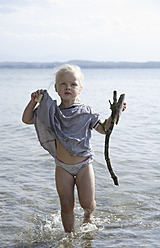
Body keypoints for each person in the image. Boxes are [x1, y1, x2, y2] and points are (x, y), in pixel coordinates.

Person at [22, 64, 126, 233]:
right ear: (56, 88)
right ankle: (69, 236)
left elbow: (103, 129)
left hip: (84, 164)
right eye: (63, 84)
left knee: (87, 203)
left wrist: (115, 114)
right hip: (62, 166)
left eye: (73, 84)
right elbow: (27, 119)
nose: (68, 87)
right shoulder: (50, 112)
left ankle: (88, 216)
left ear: (80, 88)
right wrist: (33, 101)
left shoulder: (86, 112)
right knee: (66, 205)